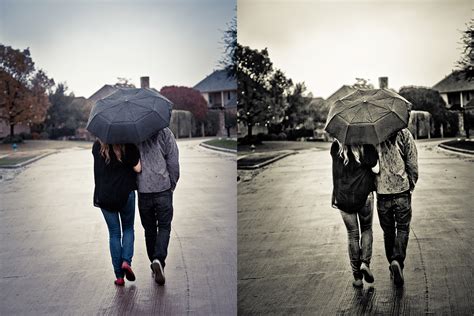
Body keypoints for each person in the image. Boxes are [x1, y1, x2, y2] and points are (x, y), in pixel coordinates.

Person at [331, 139, 379, 288]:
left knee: (352, 234)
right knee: (366, 229)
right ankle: (365, 263)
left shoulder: (335, 147)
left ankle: (357, 277)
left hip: (343, 197)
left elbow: (336, 172)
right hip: (364, 195)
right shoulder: (367, 146)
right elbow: (376, 169)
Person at [92, 140, 141, 286]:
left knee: (114, 233)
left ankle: (119, 276)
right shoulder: (129, 145)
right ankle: (126, 261)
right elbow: (138, 169)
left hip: (105, 196)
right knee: (128, 229)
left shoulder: (97, 146)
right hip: (126, 194)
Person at [136, 127, 179, 285]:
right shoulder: (165, 133)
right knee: (164, 227)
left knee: (149, 229)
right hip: (163, 188)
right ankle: (158, 259)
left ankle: (154, 263)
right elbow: (173, 161)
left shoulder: (134, 136)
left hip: (143, 190)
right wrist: (172, 183)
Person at [375, 128, 418, 287]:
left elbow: (370, 164)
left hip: (382, 192)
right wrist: (411, 183)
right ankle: (397, 260)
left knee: (388, 231)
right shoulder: (404, 133)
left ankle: (392, 264)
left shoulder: (373, 135)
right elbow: (412, 162)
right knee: (402, 228)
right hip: (401, 190)